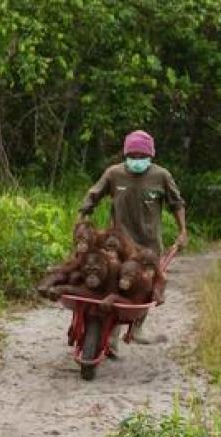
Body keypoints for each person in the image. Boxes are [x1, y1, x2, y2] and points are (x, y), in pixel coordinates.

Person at [77, 130, 188, 345]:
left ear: (150, 156)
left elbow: (177, 203)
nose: (137, 160)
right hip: (119, 244)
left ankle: (137, 327)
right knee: (116, 283)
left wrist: (182, 231)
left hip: (149, 245)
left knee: (145, 287)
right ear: (126, 155)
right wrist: (82, 216)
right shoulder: (114, 174)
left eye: (141, 156)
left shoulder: (161, 176)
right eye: (133, 156)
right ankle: (112, 334)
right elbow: (93, 195)